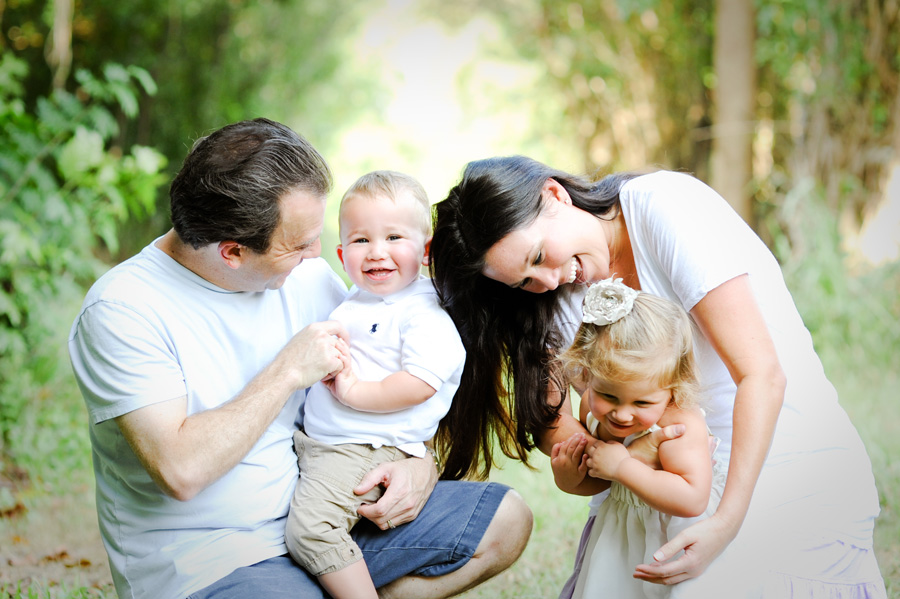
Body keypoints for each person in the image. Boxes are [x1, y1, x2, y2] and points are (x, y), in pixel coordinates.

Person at [67, 119, 532, 599]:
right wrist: (288, 371)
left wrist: (419, 465)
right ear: (233, 252)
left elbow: (389, 379)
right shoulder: (124, 309)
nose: (318, 254)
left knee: (505, 521)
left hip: (326, 512)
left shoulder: (305, 277)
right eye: (300, 244)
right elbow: (180, 470)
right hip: (213, 559)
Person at [429, 157, 887, 597]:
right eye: (523, 281)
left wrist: (724, 524)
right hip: (652, 492)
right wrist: (600, 460)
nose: (548, 280)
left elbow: (761, 375)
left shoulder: (662, 207)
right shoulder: (545, 298)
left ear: (554, 195)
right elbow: (553, 424)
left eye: (540, 255)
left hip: (774, 465)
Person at [285, 170, 466, 599]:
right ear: (341, 252)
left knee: (311, 530)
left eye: (393, 238)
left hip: (364, 448)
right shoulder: (357, 298)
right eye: (362, 241)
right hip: (334, 444)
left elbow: (419, 383)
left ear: (424, 251)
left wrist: (353, 392)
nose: (376, 252)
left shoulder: (422, 313)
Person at [552, 278, 725, 599]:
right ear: (588, 374)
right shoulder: (591, 403)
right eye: (609, 395)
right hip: (621, 529)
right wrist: (568, 478)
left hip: (671, 535)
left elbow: (692, 499)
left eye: (642, 403)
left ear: (673, 387)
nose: (621, 414)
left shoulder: (677, 424)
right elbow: (601, 475)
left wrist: (624, 468)